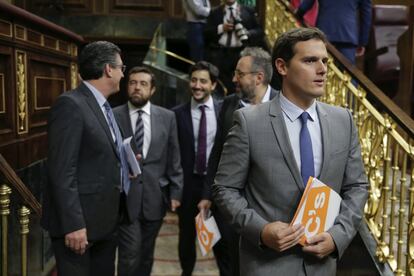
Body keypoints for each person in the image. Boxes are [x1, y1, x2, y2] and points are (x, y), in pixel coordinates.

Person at [212, 27, 368, 276]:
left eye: (324, 61)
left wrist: (337, 236)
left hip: (322, 266)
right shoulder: (249, 122)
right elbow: (225, 188)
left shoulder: (343, 120)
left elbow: (357, 187)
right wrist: (260, 230)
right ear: (282, 67)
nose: (323, 69)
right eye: (310, 61)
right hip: (266, 264)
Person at [42, 41, 129, 276]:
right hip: (80, 228)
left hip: (104, 223)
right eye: (122, 67)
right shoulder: (70, 104)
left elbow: (96, 156)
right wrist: (73, 225)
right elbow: (62, 171)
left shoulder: (105, 107)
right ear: (108, 70)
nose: (123, 73)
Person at [206, 46, 277, 276]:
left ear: (259, 77)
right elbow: (217, 153)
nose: (234, 78)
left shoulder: (285, 103)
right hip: (231, 207)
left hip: (271, 211)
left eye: (240, 74)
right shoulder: (228, 105)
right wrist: (208, 196)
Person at [114, 66, 183, 276]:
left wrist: (176, 192)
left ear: (152, 90)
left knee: (146, 253)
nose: (137, 88)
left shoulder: (167, 117)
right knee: (129, 253)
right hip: (125, 198)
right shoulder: (113, 115)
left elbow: (174, 156)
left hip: (155, 196)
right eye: (133, 83)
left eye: (143, 84)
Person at [173, 61, 222, 276]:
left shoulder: (225, 111)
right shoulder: (176, 114)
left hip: (218, 183)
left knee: (222, 237)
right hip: (188, 183)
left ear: (213, 85)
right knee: (186, 237)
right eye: (193, 80)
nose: (197, 85)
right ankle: (186, 272)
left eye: (203, 81)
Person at [204, 0, 264, 95]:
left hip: (241, 53)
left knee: (241, 83)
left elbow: (259, 31)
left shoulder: (248, 11)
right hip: (220, 53)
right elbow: (206, 33)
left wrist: (248, 33)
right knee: (221, 86)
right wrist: (221, 28)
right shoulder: (215, 12)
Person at [296, 0, 372, 64]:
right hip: (347, 36)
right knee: (348, 75)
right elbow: (366, 15)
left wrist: (298, 14)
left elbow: (304, 7)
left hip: (324, 34)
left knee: (320, 72)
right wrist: (362, 42)